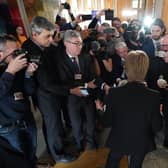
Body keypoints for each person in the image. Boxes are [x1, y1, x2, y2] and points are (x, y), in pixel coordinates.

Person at [22, 16, 76, 163]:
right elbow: (45, 83)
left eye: (52, 35)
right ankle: (57, 154)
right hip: (44, 94)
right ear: (34, 35)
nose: (51, 40)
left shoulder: (43, 45)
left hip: (53, 90)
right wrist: (69, 90)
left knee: (56, 122)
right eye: (47, 36)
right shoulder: (30, 51)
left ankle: (58, 144)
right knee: (52, 123)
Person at [96, 50, 162, 168]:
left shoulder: (114, 93)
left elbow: (106, 122)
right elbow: (157, 126)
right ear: (145, 68)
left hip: (119, 139)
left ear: (126, 68)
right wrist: (159, 112)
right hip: (141, 141)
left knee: (112, 162)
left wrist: (101, 110)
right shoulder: (154, 96)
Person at [0, 35, 38, 167]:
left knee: (32, 155)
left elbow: (28, 91)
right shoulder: (11, 69)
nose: (19, 55)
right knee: (19, 162)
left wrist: (28, 75)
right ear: (1, 55)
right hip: (8, 129)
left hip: (27, 120)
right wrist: (10, 71)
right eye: (15, 52)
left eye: (19, 50)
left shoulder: (18, 68)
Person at [58, 30, 97, 153]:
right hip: (72, 97)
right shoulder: (60, 60)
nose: (79, 47)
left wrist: (87, 85)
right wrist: (85, 84)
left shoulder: (85, 57)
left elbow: (91, 76)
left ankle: (91, 142)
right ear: (66, 43)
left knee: (91, 119)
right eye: (76, 44)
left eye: (81, 43)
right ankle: (79, 143)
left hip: (87, 95)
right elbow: (65, 81)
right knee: (76, 123)